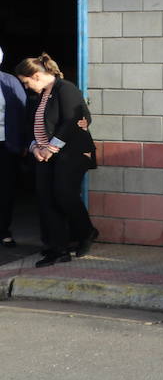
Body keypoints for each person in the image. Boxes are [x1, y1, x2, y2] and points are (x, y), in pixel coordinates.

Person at [15, 54, 97, 267]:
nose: (26, 87)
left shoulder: (65, 89)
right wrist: (34, 148)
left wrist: (50, 149)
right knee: (45, 199)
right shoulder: (39, 95)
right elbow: (30, 125)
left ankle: (86, 232)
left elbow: (72, 121)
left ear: (36, 75)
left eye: (26, 82)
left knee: (64, 195)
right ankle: (57, 248)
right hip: (43, 155)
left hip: (70, 154)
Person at [0, 46, 28, 247]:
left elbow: (24, 113)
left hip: (6, 145)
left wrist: (26, 142)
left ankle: (3, 231)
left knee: (5, 188)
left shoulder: (10, 82)